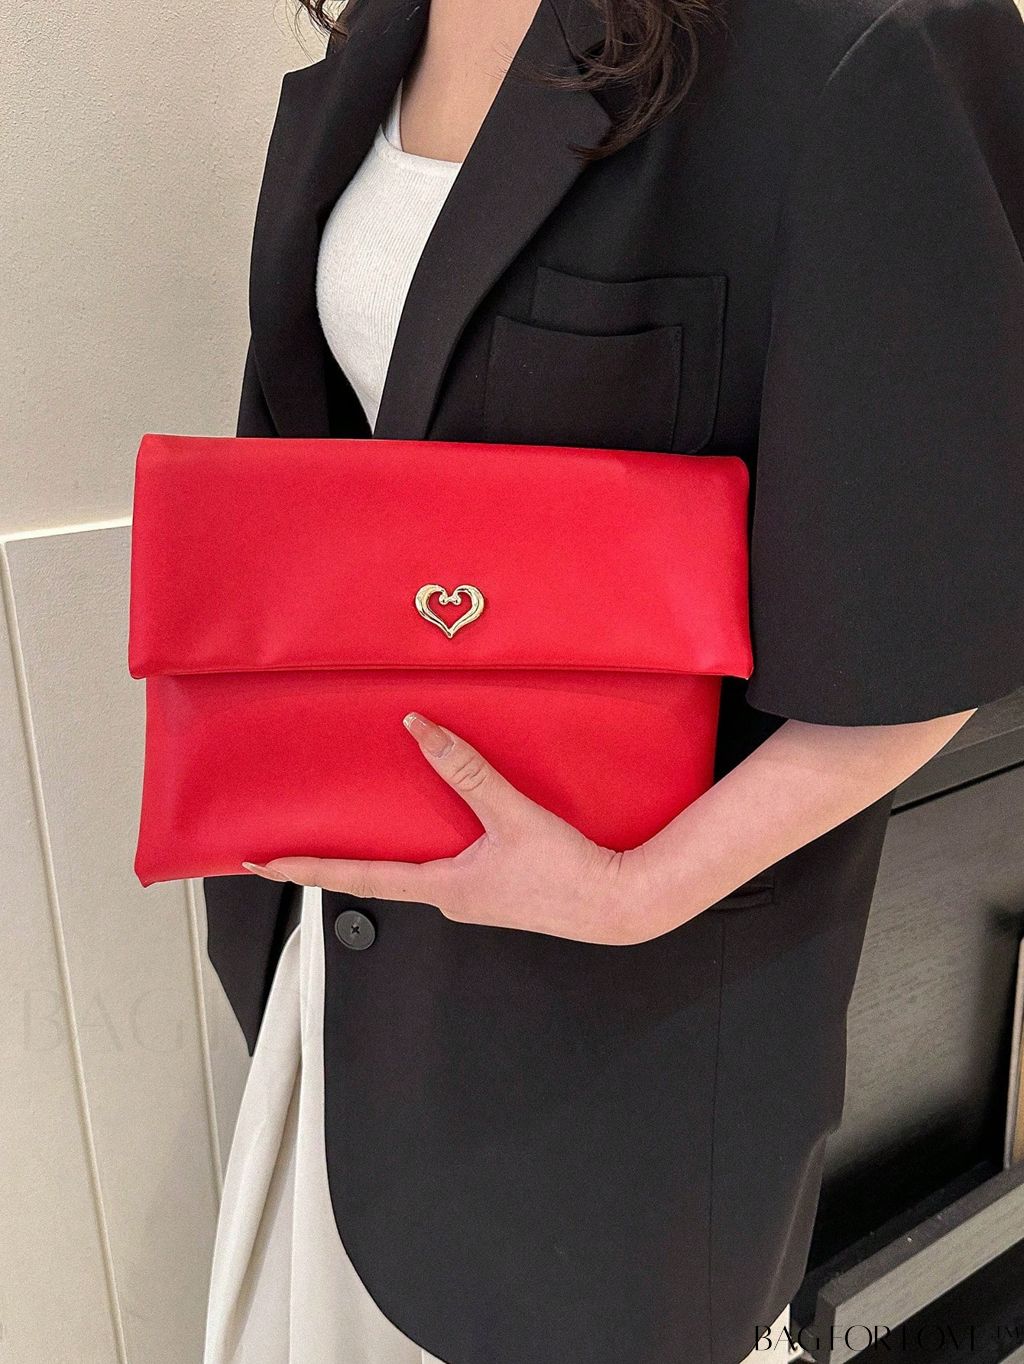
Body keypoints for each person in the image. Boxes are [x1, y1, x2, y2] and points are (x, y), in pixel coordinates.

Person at [201, 0, 1024, 1360]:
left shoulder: (864, 34)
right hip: (342, 968)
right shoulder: (385, 33)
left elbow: (932, 620)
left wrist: (637, 890)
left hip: (603, 1053)